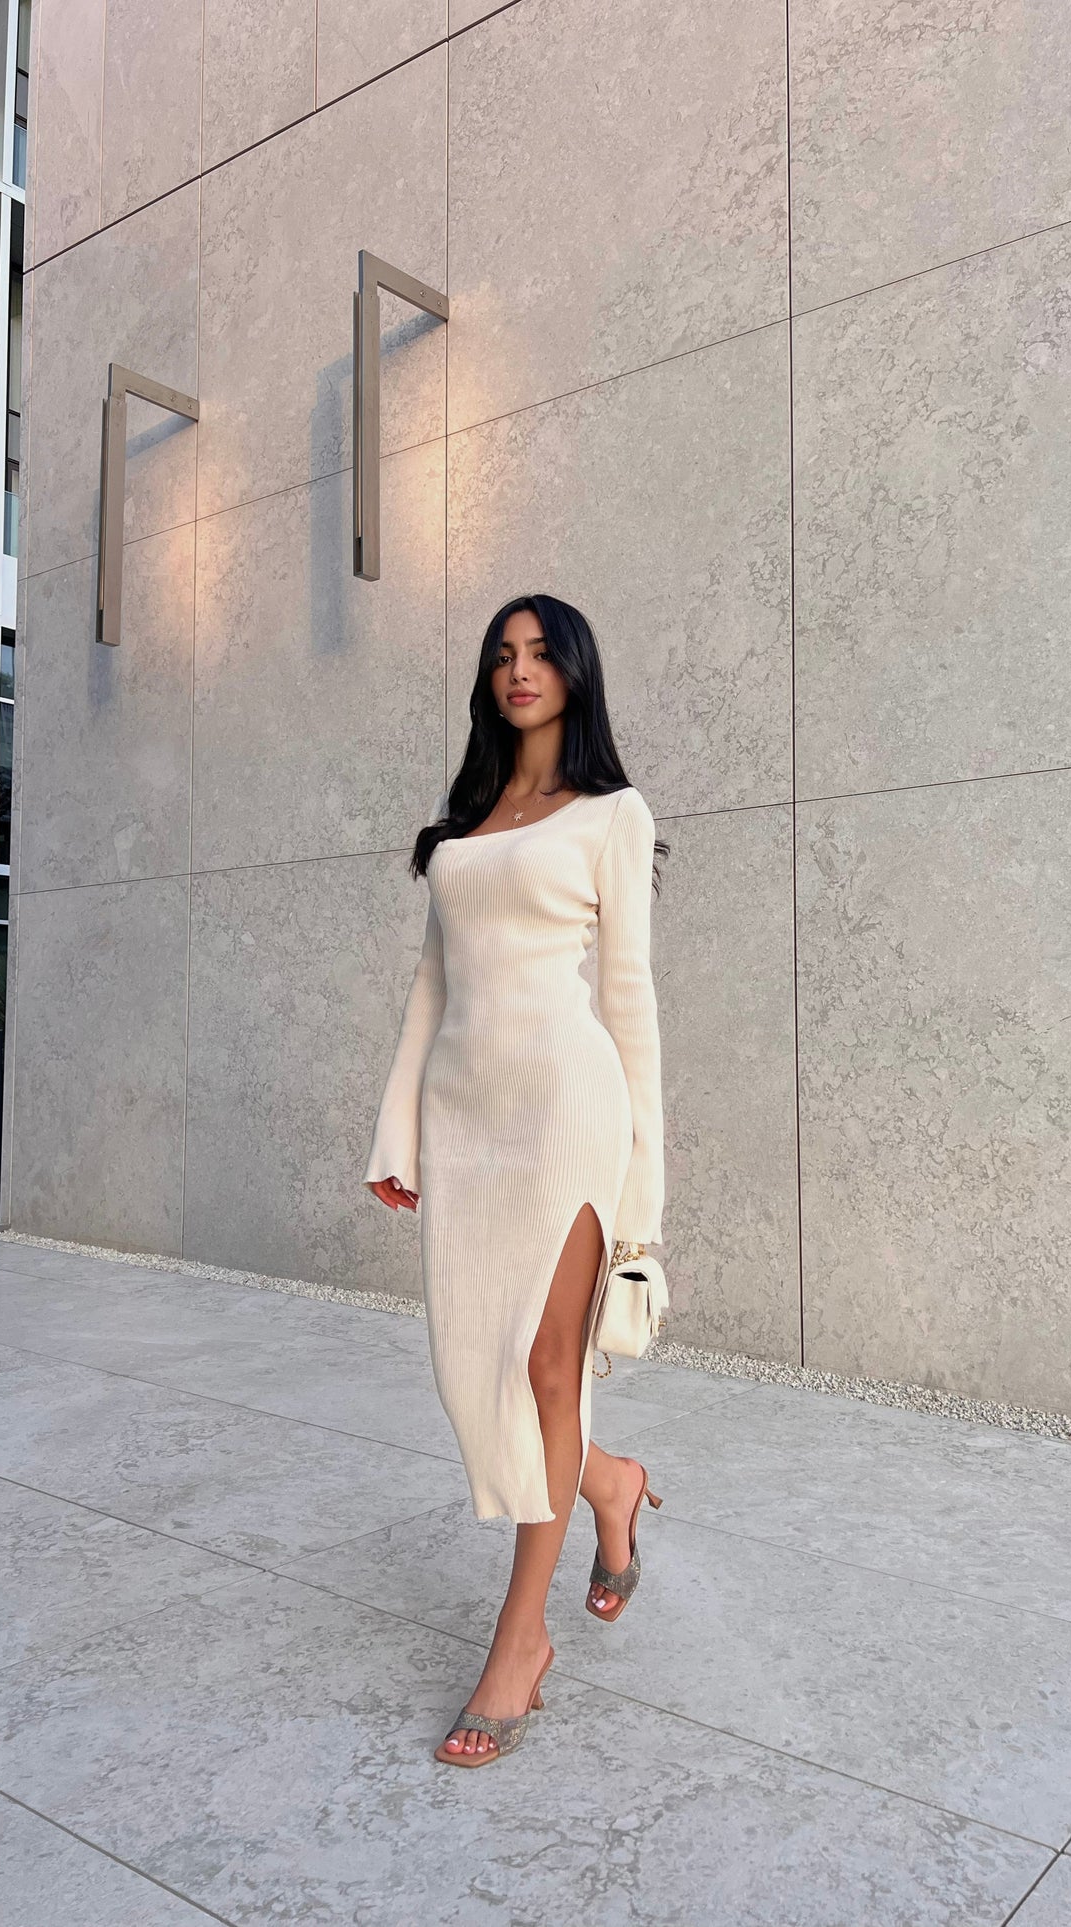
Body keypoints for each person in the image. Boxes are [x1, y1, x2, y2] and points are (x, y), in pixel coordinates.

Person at [363, 592, 668, 1767]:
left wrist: (642, 1191)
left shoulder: (612, 816)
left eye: (540, 653)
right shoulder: (461, 831)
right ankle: (612, 1481)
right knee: (473, 1372)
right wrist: (396, 1133)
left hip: (566, 1115)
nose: (518, 669)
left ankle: (519, 1638)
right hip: (464, 1117)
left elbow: (630, 1002)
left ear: (576, 673)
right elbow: (429, 993)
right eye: (502, 655)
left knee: (547, 1364)